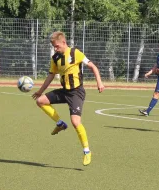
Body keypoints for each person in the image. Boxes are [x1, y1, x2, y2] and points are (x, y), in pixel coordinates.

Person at [31, 31, 105, 166]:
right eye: (53, 46)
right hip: (64, 91)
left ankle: (87, 151)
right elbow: (51, 76)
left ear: (64, 42)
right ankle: (60, 123)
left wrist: (99, 82)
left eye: (57, 46)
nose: (55, 48)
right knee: (40, 101)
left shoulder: (75, 53)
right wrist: (40, 91)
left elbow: (93, 66)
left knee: (76, 122)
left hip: (76, 92)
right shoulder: (55, 58)